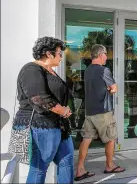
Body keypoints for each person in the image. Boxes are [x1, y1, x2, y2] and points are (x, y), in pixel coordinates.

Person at [11, 36, 74, 184]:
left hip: (59, 125)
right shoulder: (31, 69)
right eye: (59, 53)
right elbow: (38, 98)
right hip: (40, 124)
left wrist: (64, 110)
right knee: (39, 168)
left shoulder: (50, 71)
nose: (61, 57)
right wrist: (62, 110)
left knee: (67, 162)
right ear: (48, 54)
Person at [75, 44, 125, 181]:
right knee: (110, 139)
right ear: (100, 54)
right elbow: (114, 88)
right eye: (105, 54)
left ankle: (80, 169)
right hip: (103, 111)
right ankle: (110, 165)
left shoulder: (87, 70)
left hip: (90, 111)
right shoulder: (104, 70)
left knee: (86, 139)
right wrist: (110, 89)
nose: (106, 57)